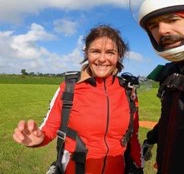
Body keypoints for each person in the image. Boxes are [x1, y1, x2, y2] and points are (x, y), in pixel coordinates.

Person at [13, 25, 144, 174]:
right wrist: (38, 138)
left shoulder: (128, 91)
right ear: (86, 53)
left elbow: (132, 137)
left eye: (110, 52)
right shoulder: (69, 87)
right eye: (95, 51)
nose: (102, 59)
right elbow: (49, 127)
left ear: (118, 55)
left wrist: (139, 168)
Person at [129, 0, 184, 174]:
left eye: (172, 20)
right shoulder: (170, 71)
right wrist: (151, 138)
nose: (162, 30)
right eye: (154, 26)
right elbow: (172, 115)